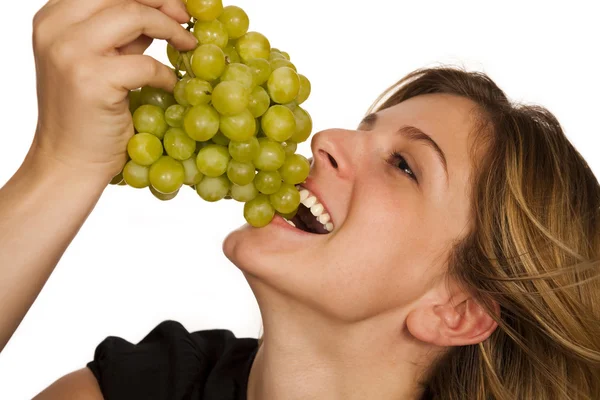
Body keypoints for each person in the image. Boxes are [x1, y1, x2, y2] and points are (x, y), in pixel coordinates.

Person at [0, 0, 598, 399]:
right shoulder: (149, 385)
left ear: (457, 312)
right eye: (364, 128)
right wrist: (62, 167)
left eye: (403, 165)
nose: (326, 140)